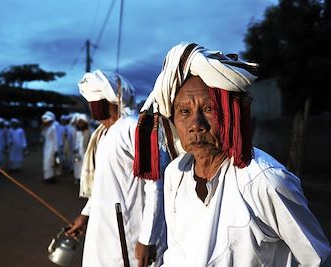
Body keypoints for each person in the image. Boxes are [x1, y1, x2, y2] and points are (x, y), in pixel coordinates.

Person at [135, 42, 331, 266]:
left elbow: (318, 260)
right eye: (185, 112)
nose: (196, 125)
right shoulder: (174, 174)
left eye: (208, 110)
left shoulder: (265, 181)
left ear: (228, 114)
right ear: (173, 121)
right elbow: (177, 253)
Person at [66, 70, 167, 267]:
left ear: (108, 99)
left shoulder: (133, 128)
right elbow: (103, 184)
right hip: (102, 227)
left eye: (93, 99)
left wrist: (147, 238)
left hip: (128, 230)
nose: (90, 106)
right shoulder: (103, 135)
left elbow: (155, 185)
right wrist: (85, 215)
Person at [41, 111, 61, 183]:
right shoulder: (48, 128)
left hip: (52, 148)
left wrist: (56, 150)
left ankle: (49, 177)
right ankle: (48, 176)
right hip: (47, 147)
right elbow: (44, 135)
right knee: (47, 162)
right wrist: (43, 127)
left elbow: (56, 140)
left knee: (50, 162)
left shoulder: (54, 127)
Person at [72, 113, 92, 184]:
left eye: (81, 122)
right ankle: (78, 178)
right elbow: (76, 142)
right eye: (79, 123)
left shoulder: (90, 132)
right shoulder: (77, 132)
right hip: (78, 153)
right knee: (77, 166)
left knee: (86, 167)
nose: (80, 124)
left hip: (86, 153)